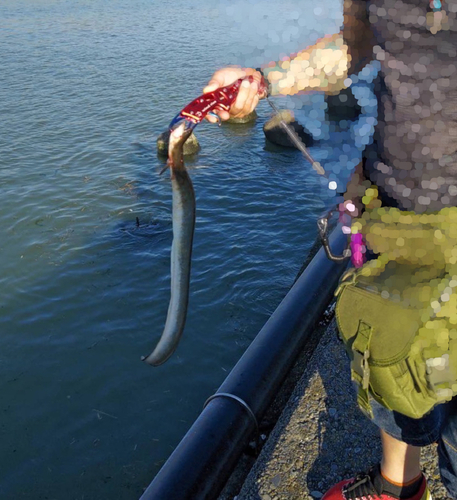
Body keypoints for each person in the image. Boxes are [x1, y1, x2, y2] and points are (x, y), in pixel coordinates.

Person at [204, 0, 457, 499]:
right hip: (395, 210)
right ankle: (397, 486)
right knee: (387, 353)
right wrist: (261, 80)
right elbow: (361, 48)